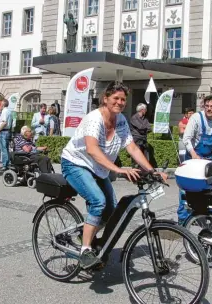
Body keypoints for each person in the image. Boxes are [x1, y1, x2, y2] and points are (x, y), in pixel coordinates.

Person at [60, 81, 168, 269]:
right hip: (76, 164)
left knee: (111, 211)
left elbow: (132, 147)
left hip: (98, 168)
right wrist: (119, 170)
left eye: (123, 99)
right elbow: (92, 150)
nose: (119, 102)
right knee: (98, 201)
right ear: (106, 99)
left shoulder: (121, 121)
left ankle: (88, 234)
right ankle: (85, 250)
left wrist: (152, 171)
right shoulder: (94, 119)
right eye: (115, 98)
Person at [178, 95, 212, 223]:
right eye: (207, 106)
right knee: (186, 189)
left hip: (210, 159)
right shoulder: (196, 118)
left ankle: (210, 217)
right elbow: (186, 138)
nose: (209, 109)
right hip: (194, 157)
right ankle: (182, 219)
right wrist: (193, 154)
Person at [0, 99, 13, 171]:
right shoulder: (9, 111)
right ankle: (6, 163)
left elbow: (4, 122)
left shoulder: (5, 111)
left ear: (3, 104)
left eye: (1, 104)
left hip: (4, 131)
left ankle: (5, 164)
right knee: (5, 148)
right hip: (7, 131)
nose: (0, 105)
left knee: (4, 149)